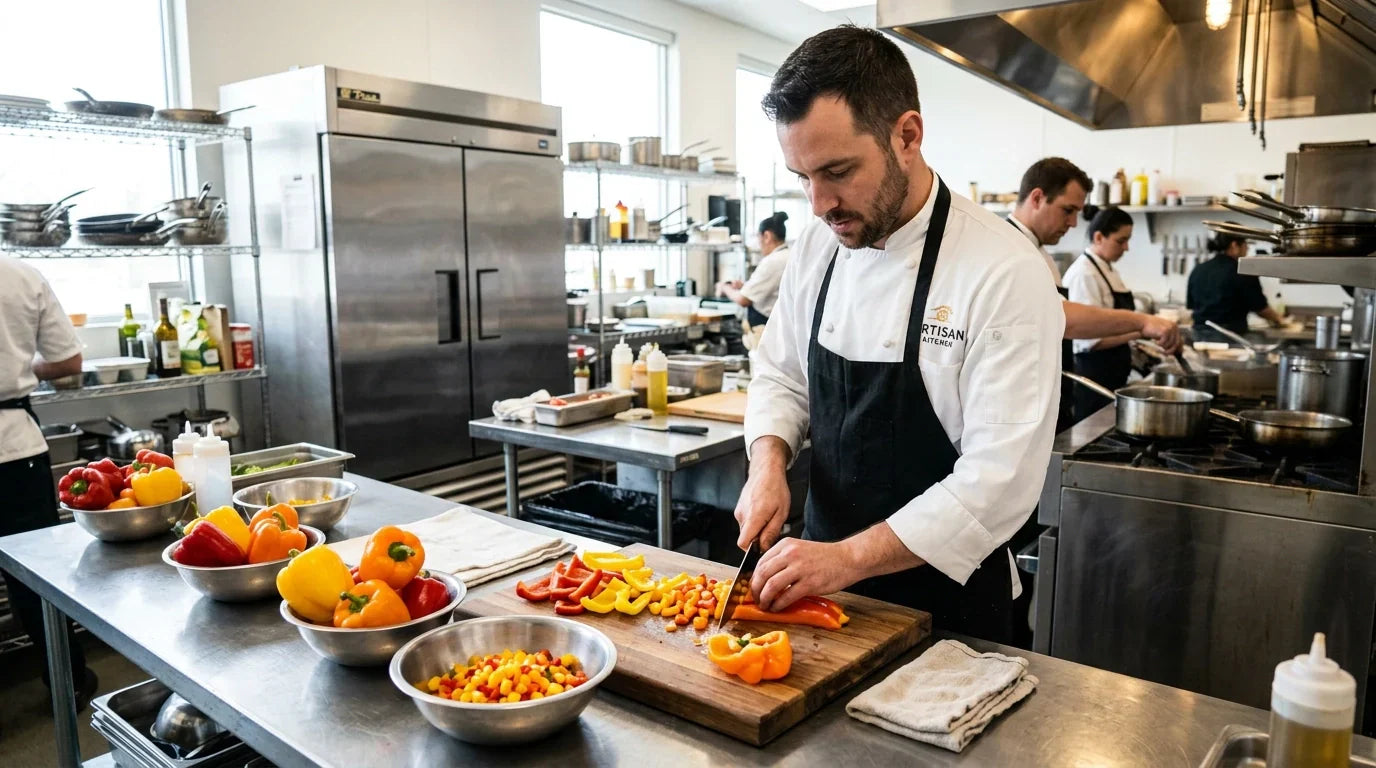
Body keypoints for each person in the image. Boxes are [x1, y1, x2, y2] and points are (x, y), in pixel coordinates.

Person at [736, 26, 1065, 644]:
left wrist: (848, 559)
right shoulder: (817, 248)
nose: (818, 203)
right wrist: (767, 464)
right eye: (801, 176)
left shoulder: (1004, 271)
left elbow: (998, 480)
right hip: (818, 598)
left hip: (950, 615)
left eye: (837, 170)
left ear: (907, 136)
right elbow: (781, 375)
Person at [1009, 158, 1181, 431]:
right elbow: (1062, 318)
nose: (1075, 223)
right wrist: (1141, 323)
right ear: (1038, 198)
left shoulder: (1038, 251)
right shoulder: (1010, 249)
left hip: (1045, 399)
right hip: (1016, 409)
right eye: (1068, 210)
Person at [0, 256, 99, 718]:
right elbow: (67, 361)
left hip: (16, 443)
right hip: (14, 448)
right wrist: (22, 371)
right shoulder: (19, 273)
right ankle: (70, 681)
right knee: (35, 578)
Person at [1064, 206, 1139, 421]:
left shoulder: (1107, 269)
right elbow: (1090, 341)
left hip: (1112, 374)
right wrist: (1139, 330)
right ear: (1099, 237)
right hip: (1093, 376)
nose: (1126, 247)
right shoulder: (1084, 274)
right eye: (1120, 240)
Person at [1188, 230, 1284, 342]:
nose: (1247, 249)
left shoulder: (1198, 270)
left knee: (1203, 360)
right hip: (1229, 338)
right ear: (1234, 245)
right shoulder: (1243, 271)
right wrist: (1279, 319)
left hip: (1198, 337)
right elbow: (1260, 308)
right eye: (1245, 244)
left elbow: (1192, 306)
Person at [716, 212, 792, 350]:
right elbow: (774, 290)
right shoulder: (789, 255)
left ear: (767, 236)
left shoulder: (772, 261)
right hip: (782, 329)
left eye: (759, 238)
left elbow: (744, 300)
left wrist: (724, 287)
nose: (758, 244)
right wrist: (744, 286)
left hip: (768, 330)